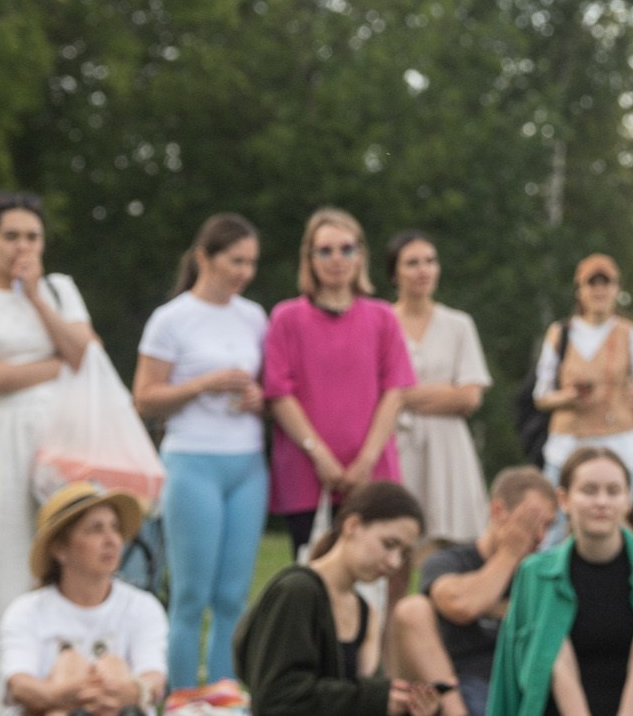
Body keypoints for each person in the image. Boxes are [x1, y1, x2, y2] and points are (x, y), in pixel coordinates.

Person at [0, 192, 97, 716]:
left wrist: (37, 299)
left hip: (61, 438)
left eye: (32, 236)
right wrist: (54, 366)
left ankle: (64, 694)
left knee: (65, 562)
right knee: (0, 572)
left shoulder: (59, 289)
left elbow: (83, 352)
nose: (22, 247)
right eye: (11, 236)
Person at [132, 213, 270, 691]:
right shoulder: (171, 319)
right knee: (191, 596)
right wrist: (203, 384)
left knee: (233, 597)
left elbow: (269, 386)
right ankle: (183, 697)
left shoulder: (255, 317)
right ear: (203, 258)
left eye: (251, 263)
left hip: (248, 463)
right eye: (235, 261)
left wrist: (259, 398)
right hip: (192, 460)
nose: (244, 272)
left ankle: (224, 697)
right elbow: (144, 398)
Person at [489, 445, 633, 716]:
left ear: (628, 499)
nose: (602, 502)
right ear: (564, 500)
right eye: (589, 490)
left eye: (613, 491)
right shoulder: (535, 573)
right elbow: (509, 680)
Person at [263, 208, 417, 556]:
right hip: (308, 473)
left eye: (346, 249)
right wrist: (319, 455)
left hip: (372, 471)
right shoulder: (287, 318)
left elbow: (395, 392)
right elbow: (279, 393)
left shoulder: (383, 317)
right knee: (313, 569)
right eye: (325, 250)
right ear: (310, 258)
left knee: (374, 569)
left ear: (360, 255)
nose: (337, 259)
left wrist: (366, 460)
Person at [234, 480, 439, 715]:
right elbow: (277, 701)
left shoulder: (366, 612)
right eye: (389, 544)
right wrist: (377, 698)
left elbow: (362, 701)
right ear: (352, 526)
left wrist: (409, 707)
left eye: (404, 553)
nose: (395, 562)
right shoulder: (296, 591)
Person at [386, 467, 557, 716]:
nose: (540, 536)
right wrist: (510, 553)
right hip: (455, 686)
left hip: (515, 684)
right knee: (412, 609)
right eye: (530, 522)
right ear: (498, 511)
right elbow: (462, 606)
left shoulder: (543, 571)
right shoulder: (449, 560)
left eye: (548, 526)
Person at [0, 483, 167, 716]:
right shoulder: (26, 611)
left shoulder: (143, 607)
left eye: (115, 528)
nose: (112, 540)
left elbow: (154, 677)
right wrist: (60, 695)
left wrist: (125, 691)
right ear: (60, 549)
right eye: (95, 529)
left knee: (113, 667)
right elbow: (19, 683)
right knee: (70, 665)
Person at [389, 231, 491, 547]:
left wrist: (404, 396)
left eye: (430, 261)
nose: (423, 270)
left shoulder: (459, 325)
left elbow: (470, 396)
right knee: (394, 537)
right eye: (412, 263)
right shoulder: (382, 323)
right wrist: (445, 391)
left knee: (451, 543)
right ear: (394, 273)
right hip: (396, 444)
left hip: (448, 449)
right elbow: (375, 394)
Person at [531, 254, 633, 494]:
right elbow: (540, 397)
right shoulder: (560, 333)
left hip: (618, 448)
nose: (599, 291)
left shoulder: (632, 334)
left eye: (606, 283)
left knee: (618, 515)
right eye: (592, 283)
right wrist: (567, 397)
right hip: (566, 449)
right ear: (579, 290)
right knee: (558, 515)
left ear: (617, 289)